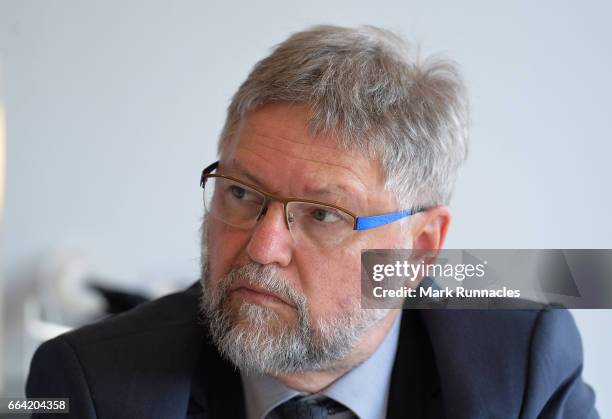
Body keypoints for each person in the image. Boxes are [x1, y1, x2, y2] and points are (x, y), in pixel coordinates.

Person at [26, 25, 598, 419]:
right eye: (242, 193)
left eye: (324, 214)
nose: (262, 247)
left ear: (420, 248)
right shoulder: (89, 380)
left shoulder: (522, 356)